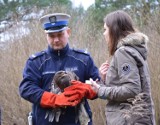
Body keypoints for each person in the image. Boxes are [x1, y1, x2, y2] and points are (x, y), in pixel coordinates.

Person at [66, 10, 156, 125]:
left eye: (105, 29)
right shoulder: (132, 51)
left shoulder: (124, 52)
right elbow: (129, 86)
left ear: (114, 30)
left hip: (130, 120)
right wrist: (105, 79)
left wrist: (100, 90)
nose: (104, 34)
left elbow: (132, 89)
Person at [19, 13, 100, 125]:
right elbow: (26, 88)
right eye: (51, 36)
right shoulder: (35, 62)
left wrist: (85, 89)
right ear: (46, 36)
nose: (56, 39)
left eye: (60, 34)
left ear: (68, 32)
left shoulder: (83, 59)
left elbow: (98, 86)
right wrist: (54, 99)